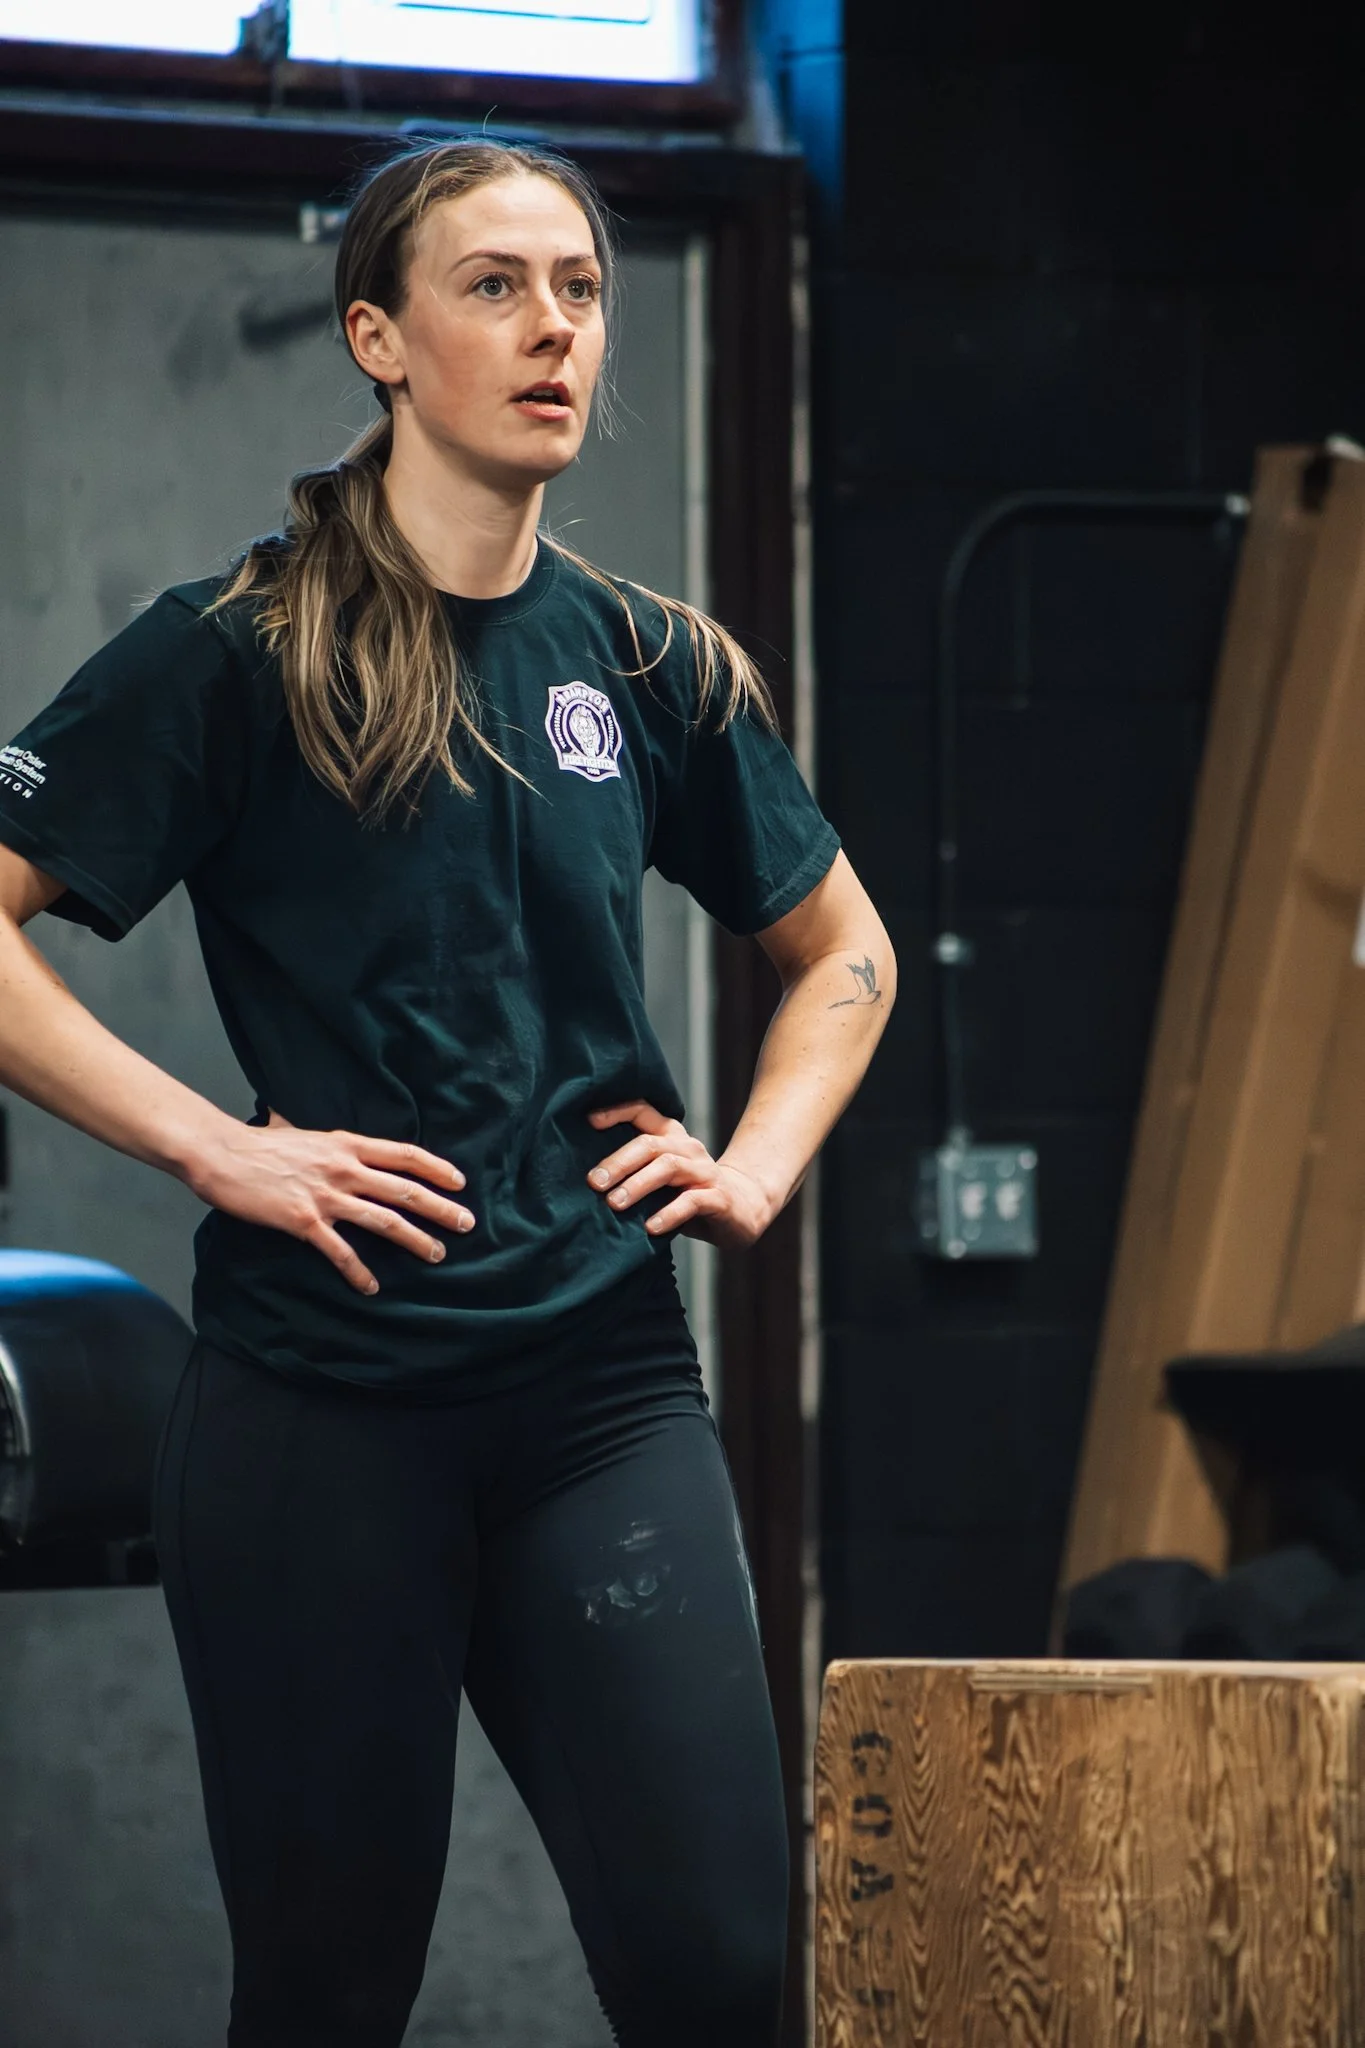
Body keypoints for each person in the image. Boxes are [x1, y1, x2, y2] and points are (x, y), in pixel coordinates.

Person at [0, 139, 894, 2047]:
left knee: (730, 1973)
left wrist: (753, 1166)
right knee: (327, 1994)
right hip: (322, 1410)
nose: (552, 325)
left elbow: (849, 953)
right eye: (493, 287)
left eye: (578, 287)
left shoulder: (653, 665)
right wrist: (210, 1143)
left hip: (598, 1396)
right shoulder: (237, 648)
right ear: (378, 340)